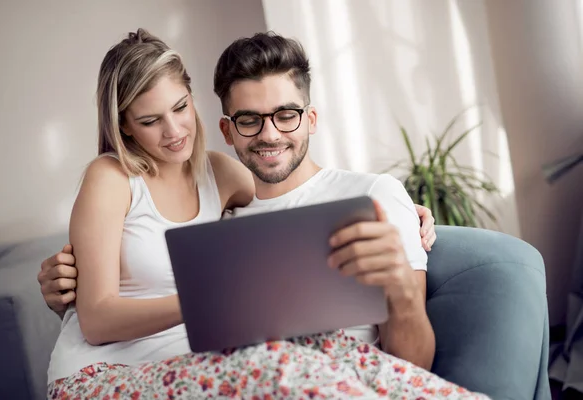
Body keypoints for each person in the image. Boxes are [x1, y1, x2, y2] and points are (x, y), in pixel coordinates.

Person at [43, 29, 487, 399]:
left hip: (189, 361)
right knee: (278, 358)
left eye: (180, 108)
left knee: (334, 349)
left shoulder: (219, 174)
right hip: (103, 372)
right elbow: (96, 317)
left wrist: (402, 210)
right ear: (123, 125)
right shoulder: (111, 177)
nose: (174, 130)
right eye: (149, 120)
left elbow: (283, 184)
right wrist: (213, 299)